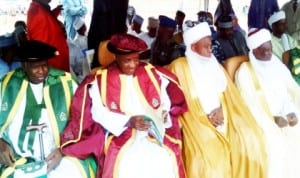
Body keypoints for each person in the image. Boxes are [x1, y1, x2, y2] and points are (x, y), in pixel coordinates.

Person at [60, 34, 187, 178]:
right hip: (122, 132)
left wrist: (163, 112)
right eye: (127, 61)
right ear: (116, 58)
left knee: (164, 158)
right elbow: (98, 112)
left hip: (152, 131)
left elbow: (164, 98)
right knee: (129, 163)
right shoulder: (101, 79)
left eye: (136, 59)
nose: (133, 65)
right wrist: (129, 121)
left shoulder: (150, 72)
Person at [167, 22, 267, 178]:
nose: (210, 50)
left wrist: (223, 112)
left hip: (225, 118)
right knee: (210, 160)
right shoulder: (179, 67)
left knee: (252, 139)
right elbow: (175, 103)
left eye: (210, 45)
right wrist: (205, 118)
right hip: (196, 122)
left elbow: (231, 97)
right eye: (205, 46)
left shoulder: (216, 66)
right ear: (193, 48)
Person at [0, 40, 95, 178]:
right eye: (36, 67)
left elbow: (83, 121)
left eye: (45, 65)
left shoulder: (65, 82)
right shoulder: (7, 84)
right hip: (18, 157)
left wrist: (64, 150)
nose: (42, 71)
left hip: (60, 154)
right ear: (24, 66)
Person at [235, 28, 300, 178]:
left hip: (286, 115)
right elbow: (248, 105)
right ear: (254, 51)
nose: (268, 54)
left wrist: (291, 111)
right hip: (263, 121)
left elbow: (290, 92)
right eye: (263, 51)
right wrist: (273, 119)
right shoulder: (245, 72)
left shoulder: (276, 65)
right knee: (275, 146)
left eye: (269, 49)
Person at [27, 0, 70, 72]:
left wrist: (56, 11)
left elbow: (48, 19)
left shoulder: (41, 9)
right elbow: (41, 50)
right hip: (54, 69)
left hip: (58, 64)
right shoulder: (38, 13)